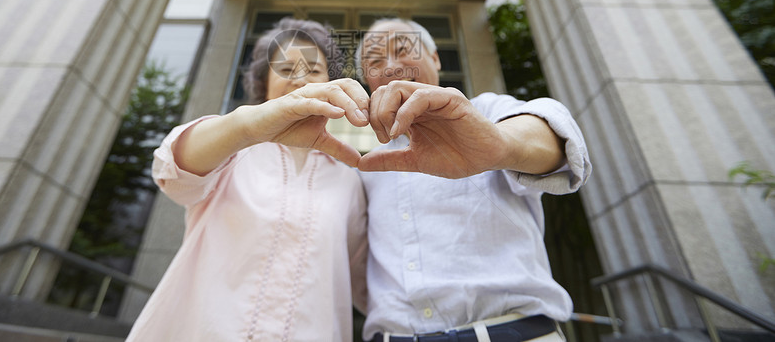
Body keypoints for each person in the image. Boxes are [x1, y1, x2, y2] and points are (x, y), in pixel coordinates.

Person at [125, 18, 371, 342]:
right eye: (285, 69)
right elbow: (170, 170)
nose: (301, 79)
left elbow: (363, 279)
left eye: (313, 70)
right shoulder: (230, 150)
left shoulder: (347, 180)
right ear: (263, 83)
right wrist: (245, 128)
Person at [355, 18, 592, 342]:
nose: (392, 66)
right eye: (375, 61)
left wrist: (498, 144)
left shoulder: (485, 111)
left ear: (436, 57)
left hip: (515, 332)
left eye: (403, 50)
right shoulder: (366, 167)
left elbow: (552, 136)